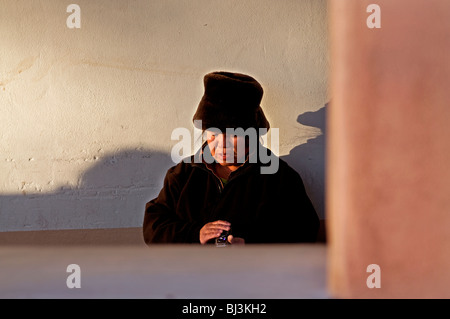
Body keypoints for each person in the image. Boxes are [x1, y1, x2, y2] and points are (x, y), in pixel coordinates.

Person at [143, 71, 319, 244]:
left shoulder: (279, 179)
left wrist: (249, 243)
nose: (221, 144)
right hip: (191, 272)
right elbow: (154, 226)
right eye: (213, 134)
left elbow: (304, 230)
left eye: (232, 135)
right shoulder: (185, 173)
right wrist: (196, 234)